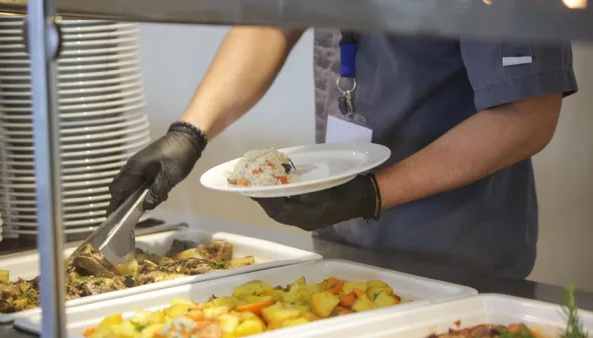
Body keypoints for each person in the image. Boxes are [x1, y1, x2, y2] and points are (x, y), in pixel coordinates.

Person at [107, 27, 577, 279]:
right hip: (339, 250)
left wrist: (374, 192)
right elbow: (274, 18)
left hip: (456, 255)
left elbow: (527, 115)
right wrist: (190, 131)